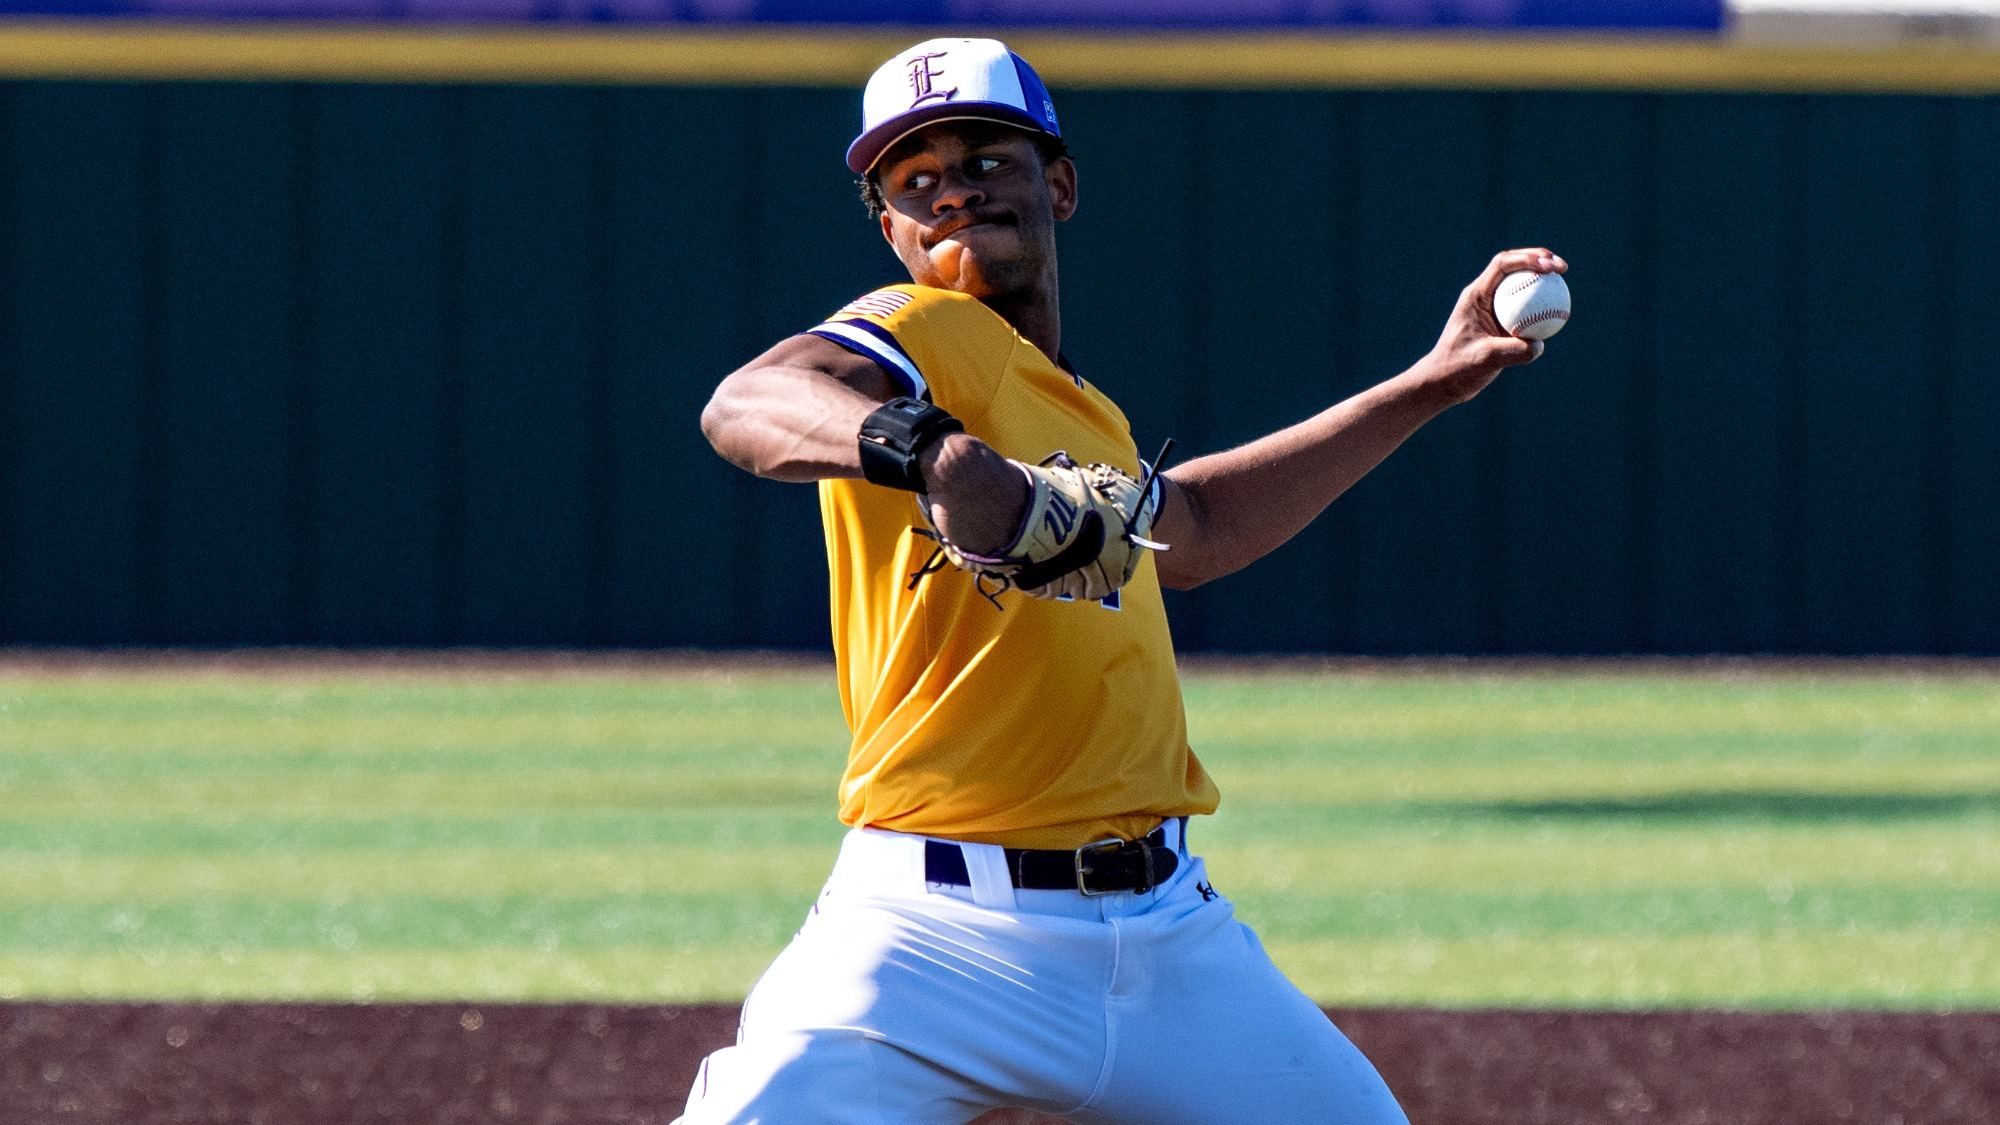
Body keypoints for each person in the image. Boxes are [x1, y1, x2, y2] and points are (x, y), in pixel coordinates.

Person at [688, 36, 1565, 1125]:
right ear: (891, 232)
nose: (953, 193)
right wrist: (929, 453)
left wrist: (1431, 383)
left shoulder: (1081, 414)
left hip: (1167, 939)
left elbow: (1189, 529)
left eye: (985, 162)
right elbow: (747, 400)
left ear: (1056, 183)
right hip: (929, 938)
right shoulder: (924, 332)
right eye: (915, 181)